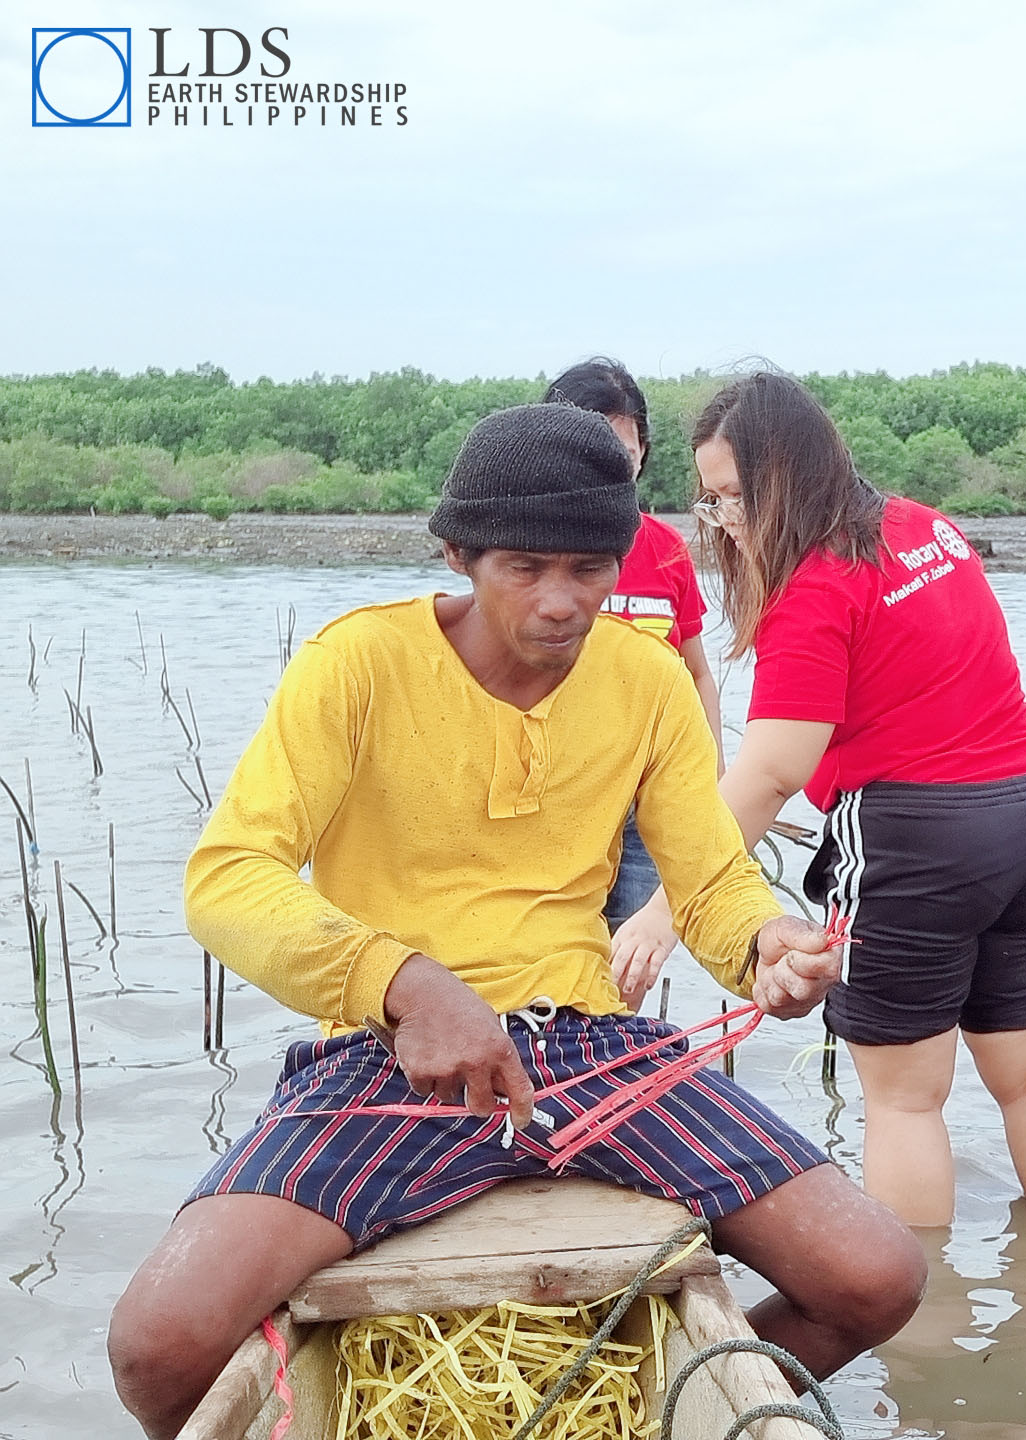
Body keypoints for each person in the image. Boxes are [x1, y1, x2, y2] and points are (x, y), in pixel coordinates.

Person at [107, 404, 925, 1439]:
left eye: (588, 570)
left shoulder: (647, 679)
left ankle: (675, 1411)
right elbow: (226, 877)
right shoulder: (356, 663)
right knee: (160, 1345)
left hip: (589, 1050)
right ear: (460, 553)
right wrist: (406, 986)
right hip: (385, 1054)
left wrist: (766, 948)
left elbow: (713, 882)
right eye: (524, 567)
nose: (560, 602)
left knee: (878, 1277)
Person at [611, 371, 1026, 1229]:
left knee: (906, 1103)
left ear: (786, 481)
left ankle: (913, 1342)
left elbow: (769, 772)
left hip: (919, 842)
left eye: (734, 498)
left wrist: (664, 911)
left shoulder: (813, 586)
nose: (724, 522)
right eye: (712, 501)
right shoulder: (927, 528)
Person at [543, 358, 722, 926]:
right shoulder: (525, 551)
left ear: (642, 452)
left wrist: (710, 779)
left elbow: (695, 672)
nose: (606, 465)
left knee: (629, 963)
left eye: (621, 449)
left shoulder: (666, 546)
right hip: (556, 798)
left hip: (647, 801)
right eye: (585, 445)